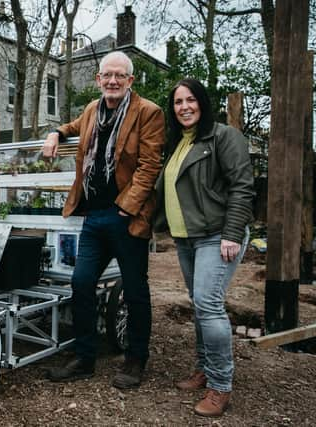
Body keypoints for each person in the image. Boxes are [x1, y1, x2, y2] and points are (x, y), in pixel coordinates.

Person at [44, 51, 164, 389]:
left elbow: (149, 166)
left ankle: (136, 358)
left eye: (119, 76)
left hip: (128, 218)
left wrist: (126, 208)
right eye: (106, 75)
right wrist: (55, 132)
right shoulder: (91, 110)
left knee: (135, 291)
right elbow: (71, 127)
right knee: (81, 283)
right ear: (98, 80)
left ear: (130, 81)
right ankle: (85, 357)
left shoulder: (148, 113)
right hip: (93, 218)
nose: (112, 81)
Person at [154, 78, 254, 417]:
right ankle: (205, 369)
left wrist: (232, 232)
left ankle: (220, 386)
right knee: (200, 304)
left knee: (209, 305)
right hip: (186, 238)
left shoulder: (224, 136)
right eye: (178, 102)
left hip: (216, 234)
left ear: (202, 102)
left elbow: (242, 187)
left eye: (190, 100)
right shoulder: (177, 143)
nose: (184, 107)